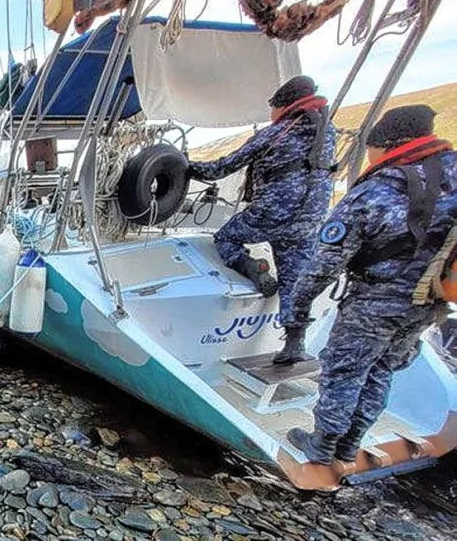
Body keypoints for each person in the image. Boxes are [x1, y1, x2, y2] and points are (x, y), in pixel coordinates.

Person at [285, 105, 455, 465]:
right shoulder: (451, 174)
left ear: (387, 144)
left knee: (345, 370)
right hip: (429, 300)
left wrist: (298, 307)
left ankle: (322, 447)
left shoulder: (380, 188)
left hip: (376, 301)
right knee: (380, 369)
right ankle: (350, 445)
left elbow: (323, 263)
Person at [188, 75, 337, 365]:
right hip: (310, 218)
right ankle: (294, 342)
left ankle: (252, 268)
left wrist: (188, 167)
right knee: (294, 277)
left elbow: (224, 167)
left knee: (227, 237)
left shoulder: (277, 132)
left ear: (282, 105)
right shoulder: (327, 132)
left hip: (273, 210)